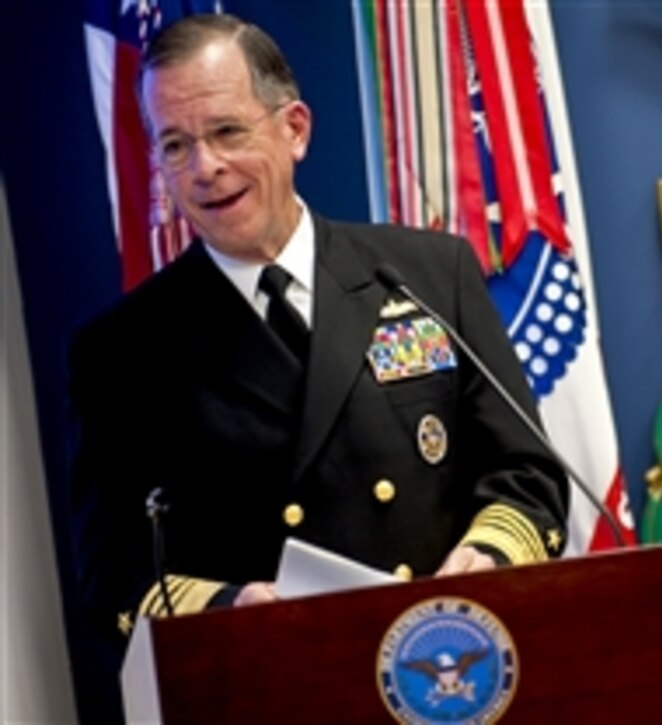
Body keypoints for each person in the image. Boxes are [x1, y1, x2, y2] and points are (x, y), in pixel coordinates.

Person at [68, 13, 569, 648]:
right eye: (175, 145)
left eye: (227, 132)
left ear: (294, 130)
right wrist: (226, 608)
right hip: (270, 681)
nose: (205, 167)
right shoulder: (120, 353)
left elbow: (529, 474)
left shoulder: (428, 274)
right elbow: (112, 571)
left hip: (446, 661)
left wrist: (489, 557)